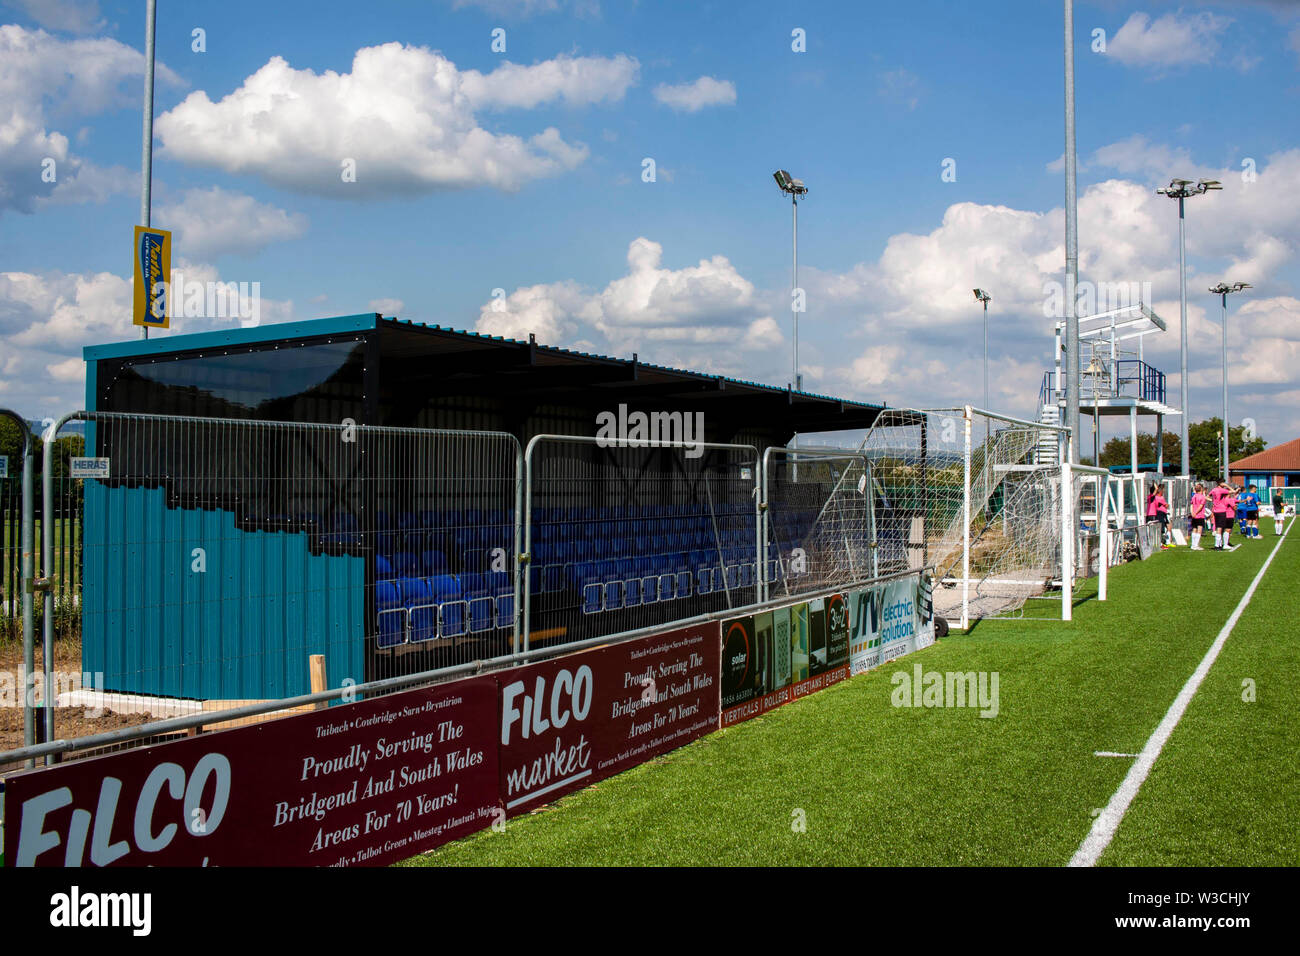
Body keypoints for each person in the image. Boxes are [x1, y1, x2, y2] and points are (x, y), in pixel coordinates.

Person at [1210, 478, 1234, 550]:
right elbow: (1233, 491)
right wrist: (1227, 486)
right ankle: (1217, 546)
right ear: (1221, 483)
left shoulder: (1214, 490)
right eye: (1223, 483)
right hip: (1221, 510)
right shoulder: (1221, 490)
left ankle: (1219, 544)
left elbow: (1208, 496)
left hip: (1216, 510)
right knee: (1221, 528)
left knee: (1218, 527)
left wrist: (1214, 501)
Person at [1189, 482, 1208, 550]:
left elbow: (1191, 505)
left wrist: (1192, 513)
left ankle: (1193, 545)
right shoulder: (1202, 497)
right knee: (1199, 529)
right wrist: (1196, 512)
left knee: (1194, 529)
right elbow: (1201, 506)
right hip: (1199, 515)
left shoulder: (1194, 496)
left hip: (1194, 515)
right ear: (1201, 489)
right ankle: (1196, 545)